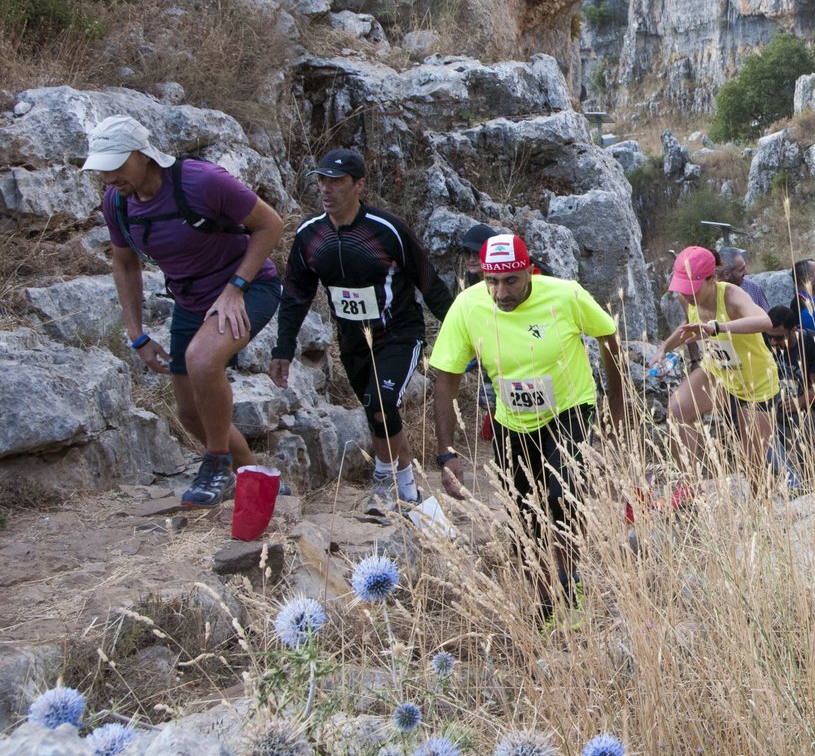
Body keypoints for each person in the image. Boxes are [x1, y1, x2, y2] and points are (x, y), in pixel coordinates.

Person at [84, 115, 284, 508]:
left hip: (249, 288)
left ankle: (216, 466)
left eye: (117, 165)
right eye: (102, 168)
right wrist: (136, 334)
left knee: (202, 358)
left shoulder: (202, 181)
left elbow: (271, 225)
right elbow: (125, 264)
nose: (109, 177)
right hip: (191, 302)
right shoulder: (117, 203)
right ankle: (257, 481)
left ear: (144, 156)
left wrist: (235, 289)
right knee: (191, 413)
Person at [430, 233, 625, 610]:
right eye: (491, 281)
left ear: (529, 270)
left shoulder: (565, 295)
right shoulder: (467, 306)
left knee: (561, 497)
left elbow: (608, 336)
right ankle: (543, 600)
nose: (500, 292)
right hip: (512, 420)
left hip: (568, 409)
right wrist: (446, 451)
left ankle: (570, 582)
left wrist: (616, 409)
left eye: (510, 281)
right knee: (523, 513)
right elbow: (446, 376)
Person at [269, 149, 455, 517]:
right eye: (322, 180)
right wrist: (283, 348)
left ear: (359, 186)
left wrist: (458, 336)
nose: (327, 188)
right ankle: (407, 492)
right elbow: (294, 296)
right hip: (353, 341)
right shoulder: (310, 235)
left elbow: (429, 281)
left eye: (337, 181)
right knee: (378, 414)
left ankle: (384, 485)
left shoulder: (386, 230)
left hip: (399, 333)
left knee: (381, 404)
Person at [658, 245, 778, 474]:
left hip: (755, 380)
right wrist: (664, 347)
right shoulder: (687, 298)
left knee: (754, 463)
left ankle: (760, 505)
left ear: (712, 278)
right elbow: (688, 325)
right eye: (682, 289)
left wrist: (717, 327)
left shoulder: (732, 295)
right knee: (677, 411)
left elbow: (765, 321)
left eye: (692, 289)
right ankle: (690, 489)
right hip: (718, 371)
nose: (686, 295)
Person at [763, 304, 815, 477]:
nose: (773, 342)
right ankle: (800, 479)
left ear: (793, 330)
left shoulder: (812, 343)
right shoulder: (768, 342)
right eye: (770, 337)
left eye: (779, 338)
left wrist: (800, 402)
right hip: (786, 399)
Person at [717, 246, 771, 311]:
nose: (746, 272)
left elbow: (768, 318)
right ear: (727, 274)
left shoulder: (753, 289)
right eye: (741, 270)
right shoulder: (710, 295)